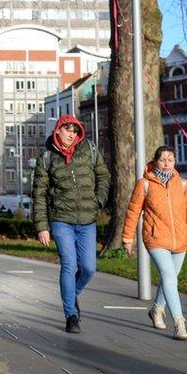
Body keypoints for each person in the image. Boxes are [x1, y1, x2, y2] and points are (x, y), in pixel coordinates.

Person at [32, 114, 110, 334]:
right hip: (61, 220)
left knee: (89, 268)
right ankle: (71, 315)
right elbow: (38, 194)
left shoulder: (90, 151)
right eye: (68, 130)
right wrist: (42, 226)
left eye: (75, 131)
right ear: (58, 130)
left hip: (87, 220)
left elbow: (104, 177)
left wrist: (98, 201)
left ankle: (71, 294)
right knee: (69, 264)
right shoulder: (47, 158)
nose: (71, 135)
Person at [123, 145, 187, 341]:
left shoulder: (183, 184)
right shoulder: (145, 184)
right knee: (169, 276)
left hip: (180, 240)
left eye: (170, 160)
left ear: (175, 162)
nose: (166, 163)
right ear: (155, 161)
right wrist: (127, 237)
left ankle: (157, 309)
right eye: (163, 159)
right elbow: (133, 212)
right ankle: (179, 322)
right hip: (156, 238)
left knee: (170, 279)